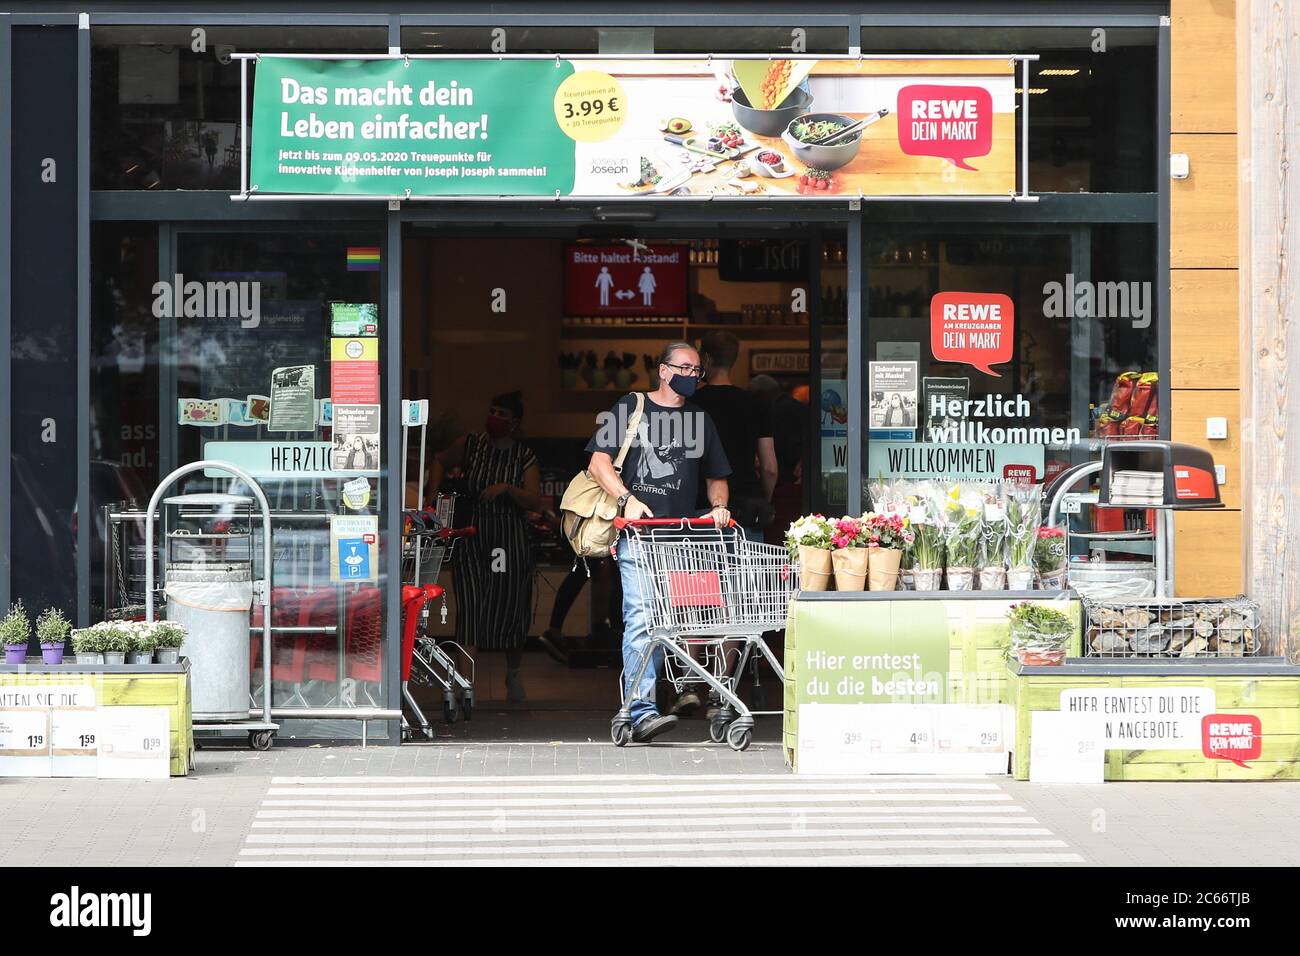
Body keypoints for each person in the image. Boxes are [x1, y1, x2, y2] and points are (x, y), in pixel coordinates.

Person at [584, 342, 731, 743]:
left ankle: (685, 692)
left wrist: (718, 506)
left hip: (685, 541)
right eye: (685, 367)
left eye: (698, 370)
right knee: (642, 620)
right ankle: (642, 710)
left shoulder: (701, 420)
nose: (692, 375)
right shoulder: (630, 407)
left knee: (689, 624)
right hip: (639, 538)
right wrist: (627, 499)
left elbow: (717, 476)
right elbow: (598, 461)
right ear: (663, 371)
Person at [430, 391, 541, 703]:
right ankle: (467, 683)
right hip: (473, 534)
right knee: (470, 606)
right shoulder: (471, 444)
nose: (494, 417)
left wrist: (507, 489)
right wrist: (432, 499)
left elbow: (534, 498)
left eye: (502, 413)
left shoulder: (524, 456)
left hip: (508, 539)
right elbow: (439, 460)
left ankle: (513, 671)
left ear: (515, 422)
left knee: (510, 606)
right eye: (492, 410)